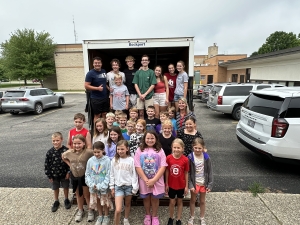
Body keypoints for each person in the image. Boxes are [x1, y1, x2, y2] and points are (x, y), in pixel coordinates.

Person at [134, 130, 167, 225]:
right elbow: (137, 165)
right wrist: (146, 179)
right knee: (146, 198)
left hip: (156, 180)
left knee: (155, 198)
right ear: (144, 139)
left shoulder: (159, 150)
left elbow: (163, 165)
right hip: (144, 180)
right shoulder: (140, 150)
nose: (150, 140)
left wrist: (154, 180)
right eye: (148, 138)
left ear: (156, 139)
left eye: (152, 138)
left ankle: (155, 216)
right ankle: (148, 215)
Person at [62, 134, 94, 223]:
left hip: (85, 177)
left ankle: (90, 210)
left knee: (87, 195)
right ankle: (80, 210)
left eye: (79, 143)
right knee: (78, 195)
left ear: (84, 143)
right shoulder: (69, 152)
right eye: (75, 143)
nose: (77, 145)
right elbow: (63, 157)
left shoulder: (88, 152)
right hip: (75, 177)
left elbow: (98, 155)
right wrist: (70, 165)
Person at [110, 140, 139, 225]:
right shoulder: (114, 160)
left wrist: (135, 188)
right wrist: (112, 187)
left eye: (122, 149)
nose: (120, 151)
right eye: (118, 149)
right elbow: (111, 174)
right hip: (118, 187)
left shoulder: (131, 160)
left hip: (128, 186)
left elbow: (134, 175)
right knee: (118, 209)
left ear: (127, 149)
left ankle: (126, 219)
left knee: (127, 204)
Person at [187, 138, 213, 225]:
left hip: (203, 183)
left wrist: (210, 185)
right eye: (195, 148)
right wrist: (190, 185)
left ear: (203, 148)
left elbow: (210, 172)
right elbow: (188, 172)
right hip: (194, 183)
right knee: (193, 200)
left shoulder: (206, 157)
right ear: (192, 147)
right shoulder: (190, 157)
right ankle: (192, 217)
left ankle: (202, 217)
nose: (197, 150)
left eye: (199, 148)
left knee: (202, 201)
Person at [85, 141, 111, 225]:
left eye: (98, 152)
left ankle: (106, 216)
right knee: (98, 201)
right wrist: (92, 184)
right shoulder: (90, 160)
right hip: (93, 186)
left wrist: (101, 186)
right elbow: (87, 174)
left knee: (105, 201)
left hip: (103, 187)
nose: (96, 154)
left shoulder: (107, 160)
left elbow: (109, 174)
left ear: (103, 150)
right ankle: (100, 216)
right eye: (94, 152)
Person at [44, 132, 71, 212]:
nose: (55, 142)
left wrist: (68, 172)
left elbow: (70, 162)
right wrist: (49, 175)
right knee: (55, 187)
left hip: (64, 174)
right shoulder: (49, 152)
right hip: (54, 174)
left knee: (65, 186)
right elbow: (47, 164)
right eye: (54, 141)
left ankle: (66, 199)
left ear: (61, 140)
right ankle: (56, 200)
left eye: (57, 140)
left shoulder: (66, 151)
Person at [166, 139, 189, 225]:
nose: (176, 149)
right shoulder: (168, 158)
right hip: (171, 185)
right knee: (172, 202)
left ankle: (178, 219)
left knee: (179, 202)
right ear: (172, 148)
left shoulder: (185, 160)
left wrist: (186, 186)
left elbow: (186, 173)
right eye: (174, 147)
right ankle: (171, 217)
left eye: (178, 148)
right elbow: (167, 171)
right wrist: (166, 183)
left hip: (181, 185)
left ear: (182, 148)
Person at [84, 56, 109, 121]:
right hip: (96, 98)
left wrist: (108, 88)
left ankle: (104, 129)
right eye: (95, 63)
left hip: (105, 97)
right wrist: (97, 88)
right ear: (93, 64)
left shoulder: (104, 71)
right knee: (97, 115)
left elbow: (104, 83)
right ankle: (96, 131)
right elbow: (86, 86)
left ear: (101, 63)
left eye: (99, 63)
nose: (97, 64)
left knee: (104, 114)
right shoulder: (90, 73)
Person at [133, 55, 157, 119]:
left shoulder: (151, 72)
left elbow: (153, 85)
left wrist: (145, 94)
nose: (144, 61)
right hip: (140, 96)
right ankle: (141, 126)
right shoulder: (138, 72)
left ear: (148, 61)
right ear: (141, 62)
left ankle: (149, 127)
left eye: (146, 60)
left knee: (150, 113)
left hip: (149, 96)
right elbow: (135, 84)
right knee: (141, 113)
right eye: (143, 60)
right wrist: (140, 94)